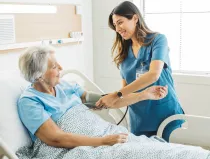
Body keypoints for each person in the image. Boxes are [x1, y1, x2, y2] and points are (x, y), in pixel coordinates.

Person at [17, 45, 168, 148]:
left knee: (155, 149)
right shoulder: (30, 102)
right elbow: (55, 138)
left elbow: (107, 101)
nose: (61, 68)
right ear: (39, 75)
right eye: (55, 66)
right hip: (75, 148)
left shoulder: (65, 86)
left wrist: (144, 94)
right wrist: (102, 141)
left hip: (101, 135)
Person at [96, 1, 184, 142]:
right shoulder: (123, 54)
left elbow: (153, 75)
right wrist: (107, 102)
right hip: (139, 121)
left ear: (135, 19)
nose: (117, 28)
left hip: (165, 115)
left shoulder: (158, 40)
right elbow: (125, 96)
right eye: (115, 25)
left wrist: (116, 94)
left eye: (120, 22)